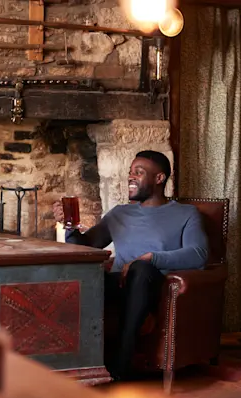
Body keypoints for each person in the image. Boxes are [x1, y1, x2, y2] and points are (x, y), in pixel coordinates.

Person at [53, 150, 209, 381]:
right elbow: (85, 247)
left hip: (158, 288)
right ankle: (63, 361)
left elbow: (199, 254)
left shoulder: (186, 213)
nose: (130, 177)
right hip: (119, 286)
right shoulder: (120, 213)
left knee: (141, 269)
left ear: (159, 178)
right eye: (130, 172)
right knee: (74, 277)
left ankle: (121, 363)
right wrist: (70, 225)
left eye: (139, 172)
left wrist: (149, 258)